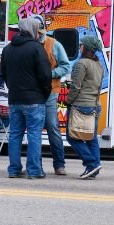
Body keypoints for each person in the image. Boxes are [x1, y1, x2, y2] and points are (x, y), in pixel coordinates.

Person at [1, 17, 51, 179]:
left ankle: (14, 169)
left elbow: (4, 75)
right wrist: (44, 94)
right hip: (34, 99)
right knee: (34, 134)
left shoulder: (8, 49)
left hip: (15, 99)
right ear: (33, 30)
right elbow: (45, 76)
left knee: (15, 134)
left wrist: (13, 89)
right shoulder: (37, 48)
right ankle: (34, 170)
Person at [31, 14, 71, 176]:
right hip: (33, 93)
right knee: (35, 130)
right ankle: (36, 165)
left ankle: (59, 164)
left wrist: (50, 74)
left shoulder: (54, 44)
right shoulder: (29, 44)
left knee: (52, 127)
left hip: (50, 92)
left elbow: (65, 66)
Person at [65, 35, 105, 180]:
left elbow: (76, 87)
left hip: (80, 105)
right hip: (94, 105)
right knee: (91, 138)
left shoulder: (81, 64)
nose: (80, 46)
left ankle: (91, 164)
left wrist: (68, 101)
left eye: (82, 45)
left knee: (72, 137)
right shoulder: (98, 65)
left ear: (86, 48)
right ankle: (95, 168)